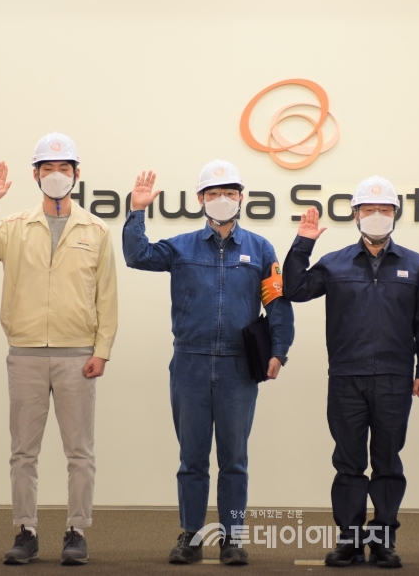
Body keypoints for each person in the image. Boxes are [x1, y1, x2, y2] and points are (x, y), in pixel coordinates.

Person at [0, 132, 118, 566]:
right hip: (25, 353)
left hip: (77, 356)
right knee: (23, 452)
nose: (56, 175)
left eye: (64, 168)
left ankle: (76, 531)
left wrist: (101, 350)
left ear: (77, 174)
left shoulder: (97, 231)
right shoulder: (13, 227)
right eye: (48, 168)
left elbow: (107, 296)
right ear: (36, 175)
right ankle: (25, 531)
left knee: (79, 452)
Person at [122, 161, 294, 566]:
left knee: (234, 460)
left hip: (238, 366)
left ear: (241, 198)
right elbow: (137, 255)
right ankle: (192, 535)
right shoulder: (182, 247)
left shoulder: (261, 250)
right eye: (214, 193)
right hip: (190, 363)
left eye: (229, 193)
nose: (222, 199)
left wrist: (279, 350)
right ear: (201, 199)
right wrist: (137, 211)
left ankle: (232, 538)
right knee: (193, 460)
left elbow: (277, 303)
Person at [282, 176, 419, 569]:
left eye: (384, 209)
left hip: (395, 378)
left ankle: (383, 539)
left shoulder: (416, 265)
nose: (376, 215)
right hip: (346, 377)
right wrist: (303, 244)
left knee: (387, 463)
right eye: (369, 209)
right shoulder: (335, 263)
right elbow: (295, 289)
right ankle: (350, 540)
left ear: (395, 215)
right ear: (355, 215)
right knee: (349, 463)